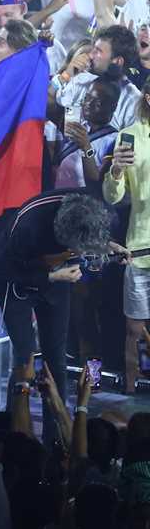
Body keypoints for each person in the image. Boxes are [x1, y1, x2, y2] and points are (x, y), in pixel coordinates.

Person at [0, 192, 117, 421]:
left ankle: (57, 431)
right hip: (17, 281)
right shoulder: (28, 226)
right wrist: (51, 277)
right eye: (76, 249)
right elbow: (3, 270)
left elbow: (90, 237)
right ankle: (15, 427)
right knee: (25, 356)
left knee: (56, 358)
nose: (80, 254)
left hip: (58, 279)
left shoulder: (93, 208)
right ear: (62, 237)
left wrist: (106, 246)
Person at [106, 96, 150, 393]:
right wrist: (117, 172)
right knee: (134, 329)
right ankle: (132, 393)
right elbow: (112, 196)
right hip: (141, 248)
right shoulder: (130, 135)